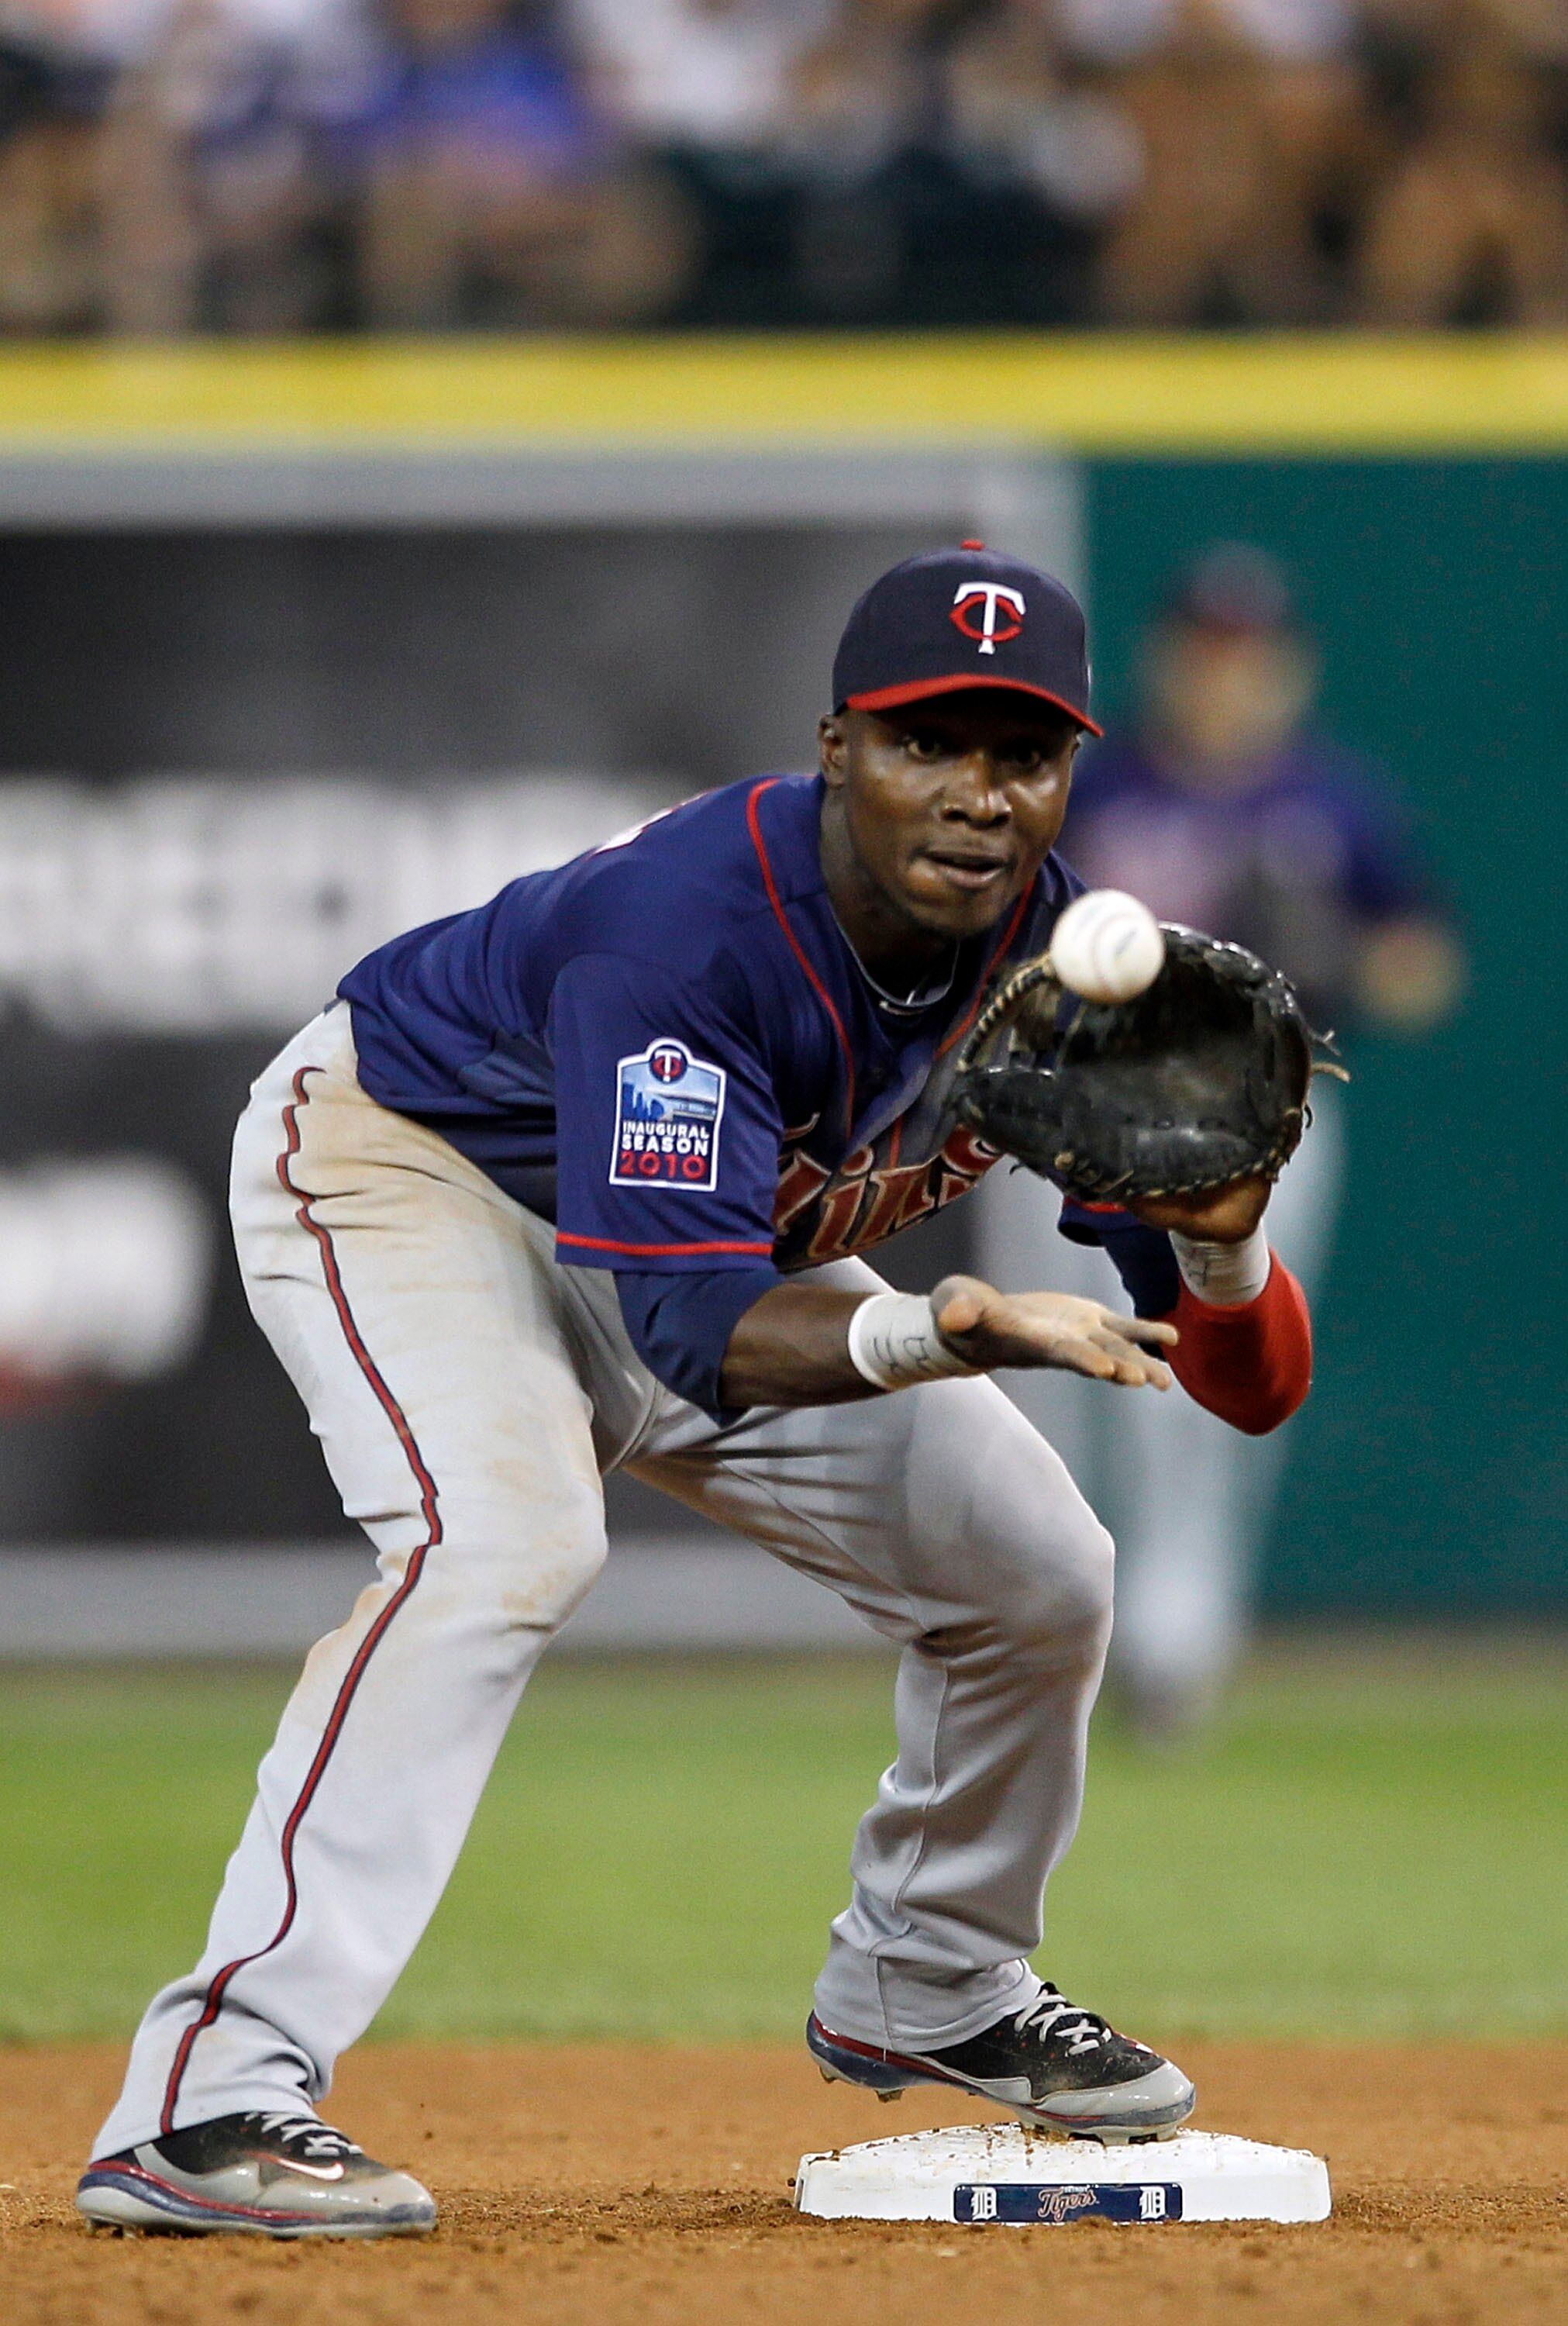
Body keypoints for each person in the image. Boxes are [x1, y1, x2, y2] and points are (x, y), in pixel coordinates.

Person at [77, 543, 1313, 2239]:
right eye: (923, 743)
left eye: (1017, 754)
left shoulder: (1062, 978)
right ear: (834, 747)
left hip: (690, 1245)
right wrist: (938, 1328)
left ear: (1068, 773)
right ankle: (207, 2100)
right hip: (415, 1167)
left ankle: (930, 1981)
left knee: (1040, 1571)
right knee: (503, 1546)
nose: (972, 793)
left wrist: (1229, 1253)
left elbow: (1243, 1393)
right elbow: (689, 1335)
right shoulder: (690, 930)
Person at [987, 542, 1460, 1739]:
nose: (1223, 677)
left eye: (1246, 656)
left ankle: (1173, 1649)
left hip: (1257, 1126)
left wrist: (1337, 960)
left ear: (1289, 671)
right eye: (1204, 651)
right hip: (1082, 1114)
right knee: (1051, 1380)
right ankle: (1044, 1627)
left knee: (1211, 1394)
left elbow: (1423, 965)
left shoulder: (1332, 802)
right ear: (1163, 659)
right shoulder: (1099, 791)